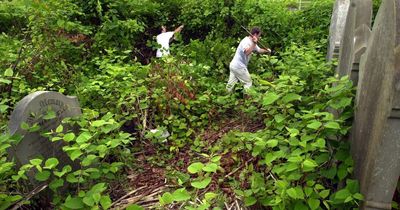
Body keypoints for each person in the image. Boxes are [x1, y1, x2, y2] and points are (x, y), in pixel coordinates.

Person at [226, 27, 271, 92]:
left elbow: (259, 50)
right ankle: (248, 100)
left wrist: (267, 50)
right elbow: (247, 52)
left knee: (230, 85)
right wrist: (254, 43)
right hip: (239, 66)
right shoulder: (246, 41)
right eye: (259, 36)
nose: (259, 37)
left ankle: (226, 95)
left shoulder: (252, 41)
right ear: (255, 34)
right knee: (248, 83)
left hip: (234, 66)